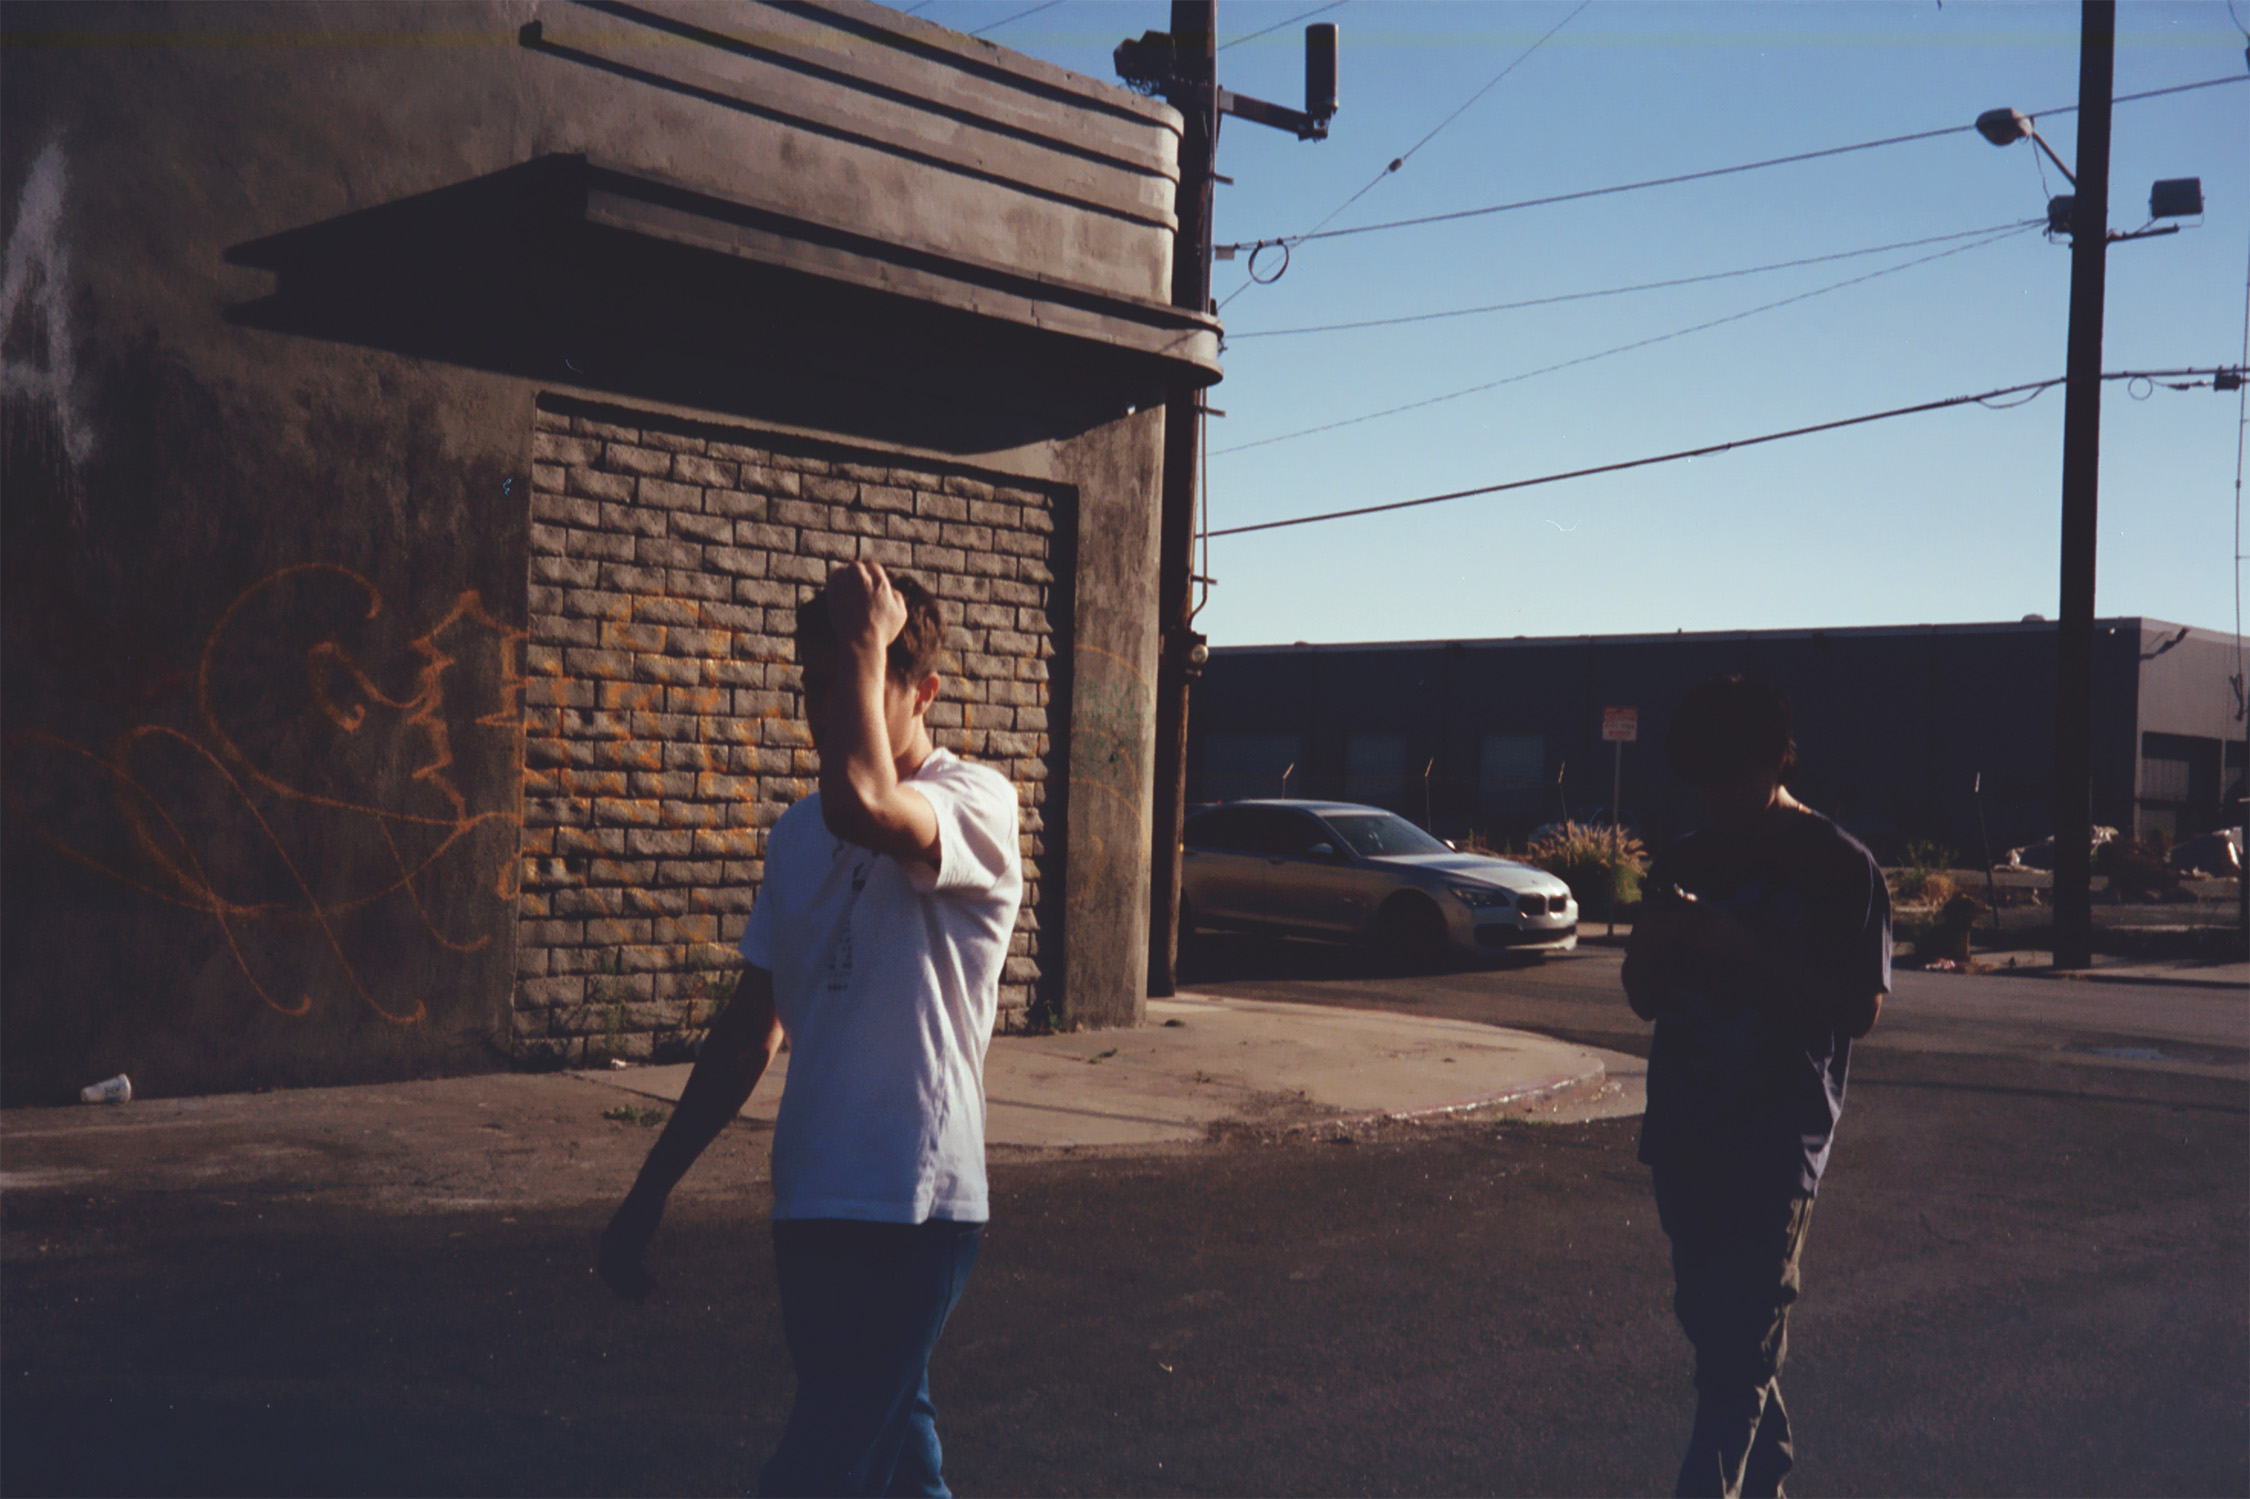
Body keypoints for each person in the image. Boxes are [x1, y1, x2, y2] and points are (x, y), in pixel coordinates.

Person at [597, 561, 1023, 1499]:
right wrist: (650, 1189)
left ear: (923, 692)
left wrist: (870, 636)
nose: (828, 706)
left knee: (819, 1468)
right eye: (816, 683)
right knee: (895, 1460)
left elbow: (865, 803)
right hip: (813, 1198)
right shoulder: (795, 835)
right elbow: (748, 1032)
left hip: (913, 1202)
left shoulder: (976, 801)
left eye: (855, 678)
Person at [1621, 675, 1891, 1499]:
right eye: (1701, 779)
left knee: (1739, 1351)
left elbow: (1859, 1009)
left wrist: (1746, 949)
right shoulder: (1686, 857)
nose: (1715, 795)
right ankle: (1767, 1477)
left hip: (1776, 1139)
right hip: (1685, 1129)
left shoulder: (1839, 864)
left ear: (1779, 757)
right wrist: (1656, 944)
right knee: (1715, 1329)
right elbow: (1642, 997)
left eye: (1729, 774)